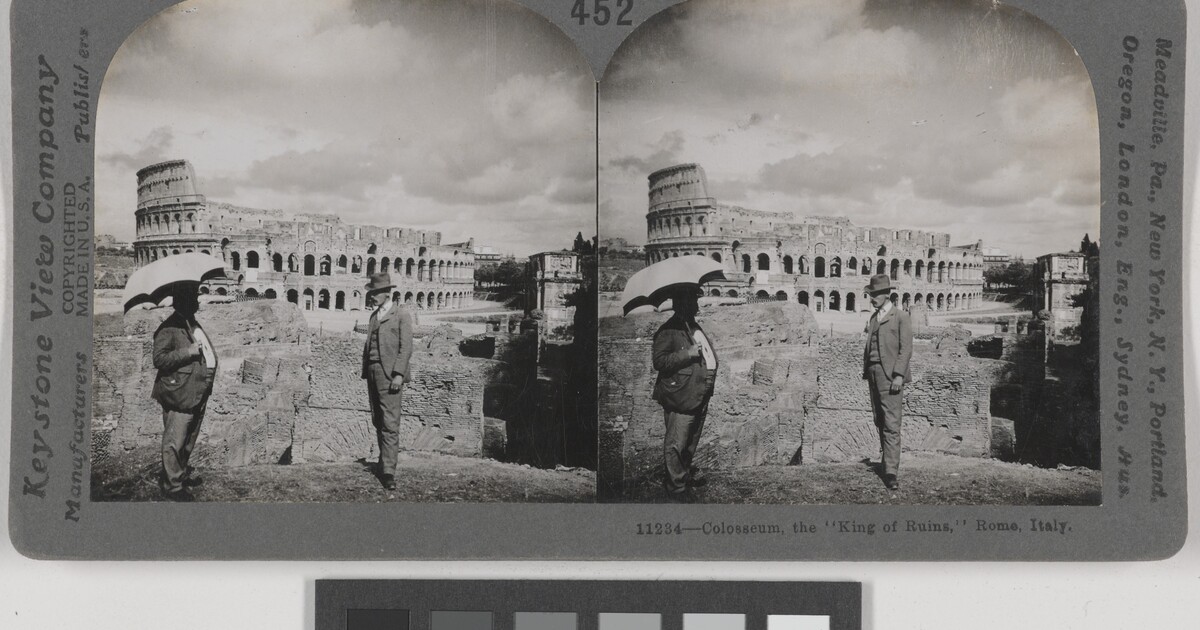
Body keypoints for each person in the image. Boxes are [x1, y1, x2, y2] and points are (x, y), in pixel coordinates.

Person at [150, 282, 217, 502]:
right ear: (183, 302)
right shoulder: (168, 328)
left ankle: (179, 475)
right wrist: (187, 351)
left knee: (188, 439)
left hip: (196, 390)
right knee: (175, 441)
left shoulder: (190, 322)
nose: (198, 302)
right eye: (194, 299)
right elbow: (159, 359)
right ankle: (172, 487)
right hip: (179, 392)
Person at [651, 286, 718, 502]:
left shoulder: (692, 325)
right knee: (676, 443)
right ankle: (676, 489)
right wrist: (687, 353)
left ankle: (683, 477)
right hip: (680, 394)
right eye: (693, 301)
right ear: (681, 304)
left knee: (690, 440)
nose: (697, 305)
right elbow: (659, 362)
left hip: (697, 393)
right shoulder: (668, 330)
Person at [360, 272, 414, 490]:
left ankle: (389, 472)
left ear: (385, 293)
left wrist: (399, 374)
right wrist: (367, 370)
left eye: (374, 293)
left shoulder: (401, 315)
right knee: (377, 419)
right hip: (372, 372)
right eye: (371, 293)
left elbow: (406, 347)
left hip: (390, 375)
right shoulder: (374, 316)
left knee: (390, 423)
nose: (371, 296)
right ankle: (383, 462)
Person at [861, 273, 913, 491]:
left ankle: (891, 472)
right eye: (870, 294)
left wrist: (899, 375)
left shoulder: (900, 317)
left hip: (890, 376)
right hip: (873, 373)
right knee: (879, 419)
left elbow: (906, 348)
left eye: (874, 295)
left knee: (892, 423)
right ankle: (885, 462)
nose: (871, 298)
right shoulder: (873, 318)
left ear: (885, 294)